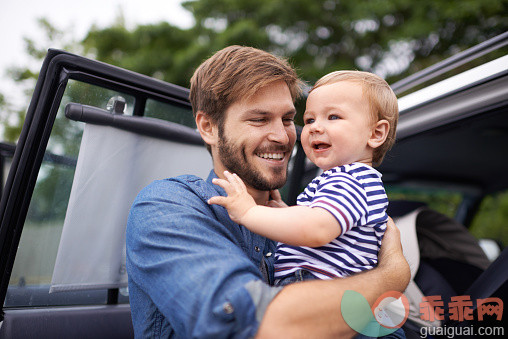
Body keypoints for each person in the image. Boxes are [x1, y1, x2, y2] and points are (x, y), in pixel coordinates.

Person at [126, 46, 410, 338]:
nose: (282, 136)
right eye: (259, 119)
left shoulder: (301, 213)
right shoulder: (167, 206)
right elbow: (259, 325)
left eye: (288, 119)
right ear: (208, 127)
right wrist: (391, 276)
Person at [208, 70, 398, 285]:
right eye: (309, 119)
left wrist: (249, 212)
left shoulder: (352, 181)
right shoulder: (344, 180)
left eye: (333, 116)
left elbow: (316, 229)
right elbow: (322, 223)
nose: (315, 127)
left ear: (375, 134)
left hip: (319, 290)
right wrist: (286, 213)